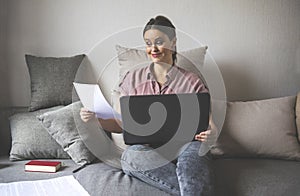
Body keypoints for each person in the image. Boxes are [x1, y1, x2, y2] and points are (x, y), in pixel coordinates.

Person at [80, 15, 217, 196]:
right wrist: (97, 119)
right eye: (148, 43)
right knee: (131, 156)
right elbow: (121, 125)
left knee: (194, 156)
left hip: (186, 147)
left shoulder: (192, 81)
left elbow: (210, 125)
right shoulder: (132, 79)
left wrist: (211, 134)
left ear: (173, 43)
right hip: (148, 152)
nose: (153, 48)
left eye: (159, 42)